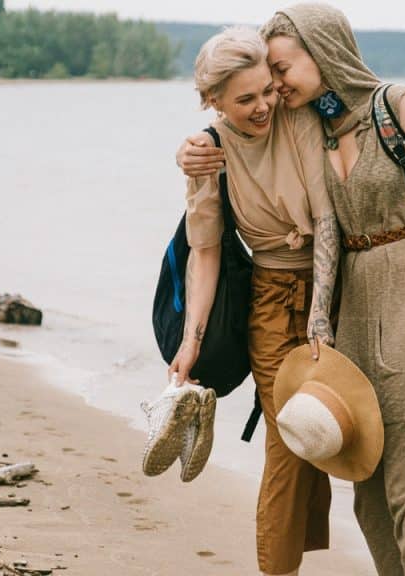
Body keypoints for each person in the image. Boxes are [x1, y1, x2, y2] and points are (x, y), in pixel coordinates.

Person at [178, 5, 405, 575]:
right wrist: (190, 152)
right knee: (367, 484)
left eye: (282, 71)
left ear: (324, 52)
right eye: (269, 77)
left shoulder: (396, 105)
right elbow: (232, 173)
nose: (276, 87)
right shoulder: (315, 121)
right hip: (351, 304)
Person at [169, 26, 342, 576]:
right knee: (289, 437)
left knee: (345, 434)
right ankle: (279, 568)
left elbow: (326, 221)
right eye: (245, 99)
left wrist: (322, 321)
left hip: (337, 291)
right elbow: (206, 250)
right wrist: (189, 342)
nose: (265, 104)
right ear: (211, 100)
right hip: (270, 300)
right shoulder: (208, 152)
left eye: (267, 89)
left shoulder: (299, 117)